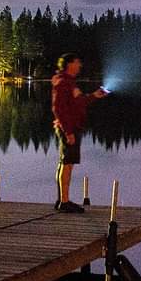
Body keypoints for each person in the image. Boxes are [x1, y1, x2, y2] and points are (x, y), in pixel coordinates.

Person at [51, 52, 107, 212]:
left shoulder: (69, 82)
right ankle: (64, 202)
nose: (79, 65)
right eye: (77, 62)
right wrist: (68, 132)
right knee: (67, 164)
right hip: (68, 128)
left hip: (72, 127)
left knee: (66, 163)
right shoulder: (63, 82)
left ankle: (62, 199)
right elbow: (58, 108)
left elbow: (79, 102)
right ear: (69, 64)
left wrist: (95, 96)